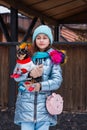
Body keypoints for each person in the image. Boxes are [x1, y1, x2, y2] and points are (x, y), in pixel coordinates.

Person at [14, 25, 65, 130]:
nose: (41, 40)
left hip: (45, 107)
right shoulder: (26, 55)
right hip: (25, 106)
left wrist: (40, 86)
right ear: (34, 40)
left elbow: (57, 81)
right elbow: (16, 76)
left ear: (49, 40)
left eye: (45, 37)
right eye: (38, 37)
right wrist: (29, 74)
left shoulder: (53, 58)